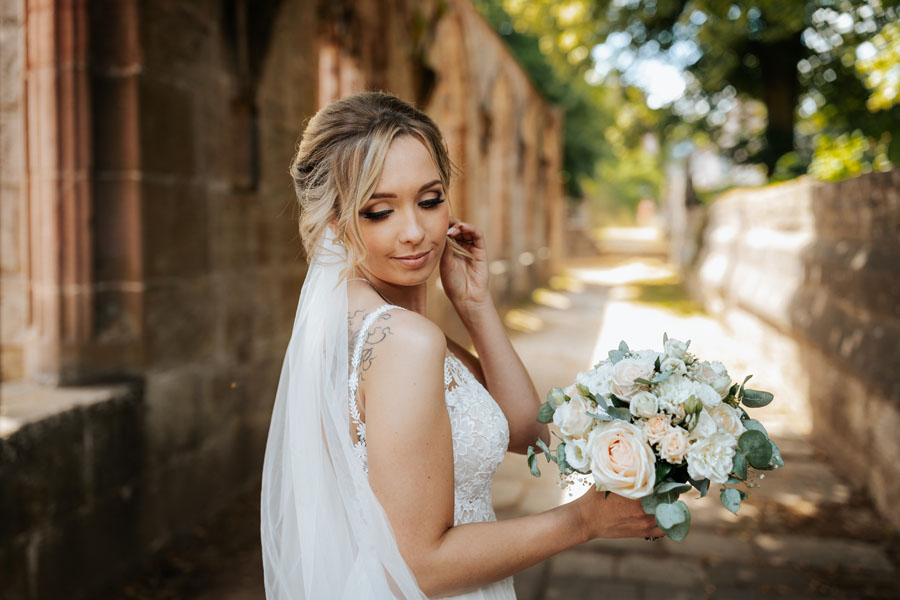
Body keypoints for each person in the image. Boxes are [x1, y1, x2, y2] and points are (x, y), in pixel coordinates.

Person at [260, 91, 664, 600]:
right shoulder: (403, 340)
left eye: (429, 201)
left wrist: (475, 307)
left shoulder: (367, 320)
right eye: (380, 211)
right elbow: (421, 565)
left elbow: (526, 432)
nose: (415, 231)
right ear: (336, 222)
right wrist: (583, 520)